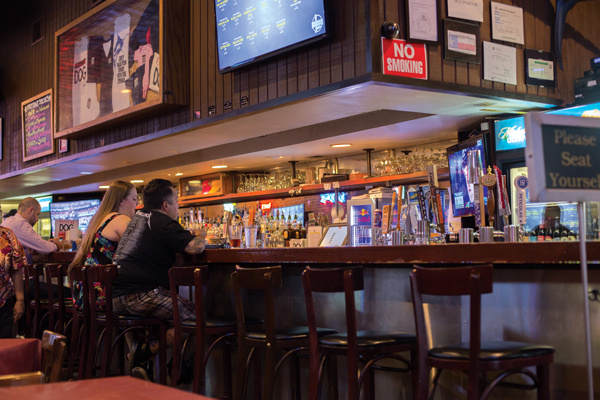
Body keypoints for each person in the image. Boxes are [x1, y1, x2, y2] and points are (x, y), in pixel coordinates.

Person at [112, 179, 206, 377]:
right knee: (196, 317)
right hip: (138, 296)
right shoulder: (163, 222)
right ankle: (148, 353)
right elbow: (194, 247)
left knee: (179, 318)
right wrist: (201, 235)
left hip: (116, 297)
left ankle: (175, 365)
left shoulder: (136, 219)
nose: (178, 206)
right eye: (177, 201)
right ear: (166, 205)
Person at [68, 181, 138, 310]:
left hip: (84, 292)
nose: (137, 203)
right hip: (101, 293)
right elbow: (142, 246)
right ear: (121, 200)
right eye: (134, 199)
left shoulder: (99, 219)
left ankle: (129, 330)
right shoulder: (121, 219)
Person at [1, 198, 70, 300]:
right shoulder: (21, 224)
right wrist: (57, 245)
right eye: (37, 214)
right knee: (68, 292)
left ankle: (38, 315)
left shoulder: (8, 221)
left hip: (9, 284)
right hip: (21, 284)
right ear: (30, 210)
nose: (37, 219)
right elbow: (45, 247)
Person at [0, 227, 28, 338]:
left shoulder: (7, 235)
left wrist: (20, 300)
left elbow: (16, 268)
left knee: (4, 351)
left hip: (3, 303)